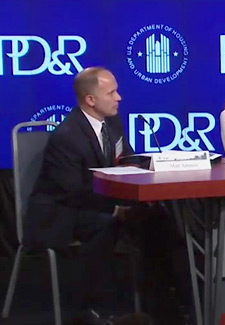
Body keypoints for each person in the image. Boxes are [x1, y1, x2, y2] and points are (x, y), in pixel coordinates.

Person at [23, 67, 135, 324]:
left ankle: (162, 298)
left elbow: (126, 162)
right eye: (112, 92)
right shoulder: (67, 136)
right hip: (60, 213)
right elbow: (73, 191)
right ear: (91, 100)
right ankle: (95, 309)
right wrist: (116, 210)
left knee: (154, 216)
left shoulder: (114, 123)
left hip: (96, 203)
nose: (119, 97)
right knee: (105, 224)